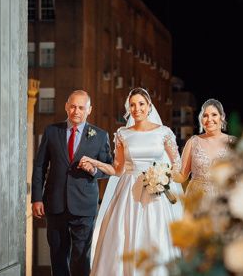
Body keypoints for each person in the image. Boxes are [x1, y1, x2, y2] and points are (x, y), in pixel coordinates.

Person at [79, 87, 184, 276]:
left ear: (149, 106)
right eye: (132, 105)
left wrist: (164, 176)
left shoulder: (164, 132)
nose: (137, 109)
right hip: (128, 192)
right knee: (123, 237)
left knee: (154, 235)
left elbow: (177, 164)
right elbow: (117, 170)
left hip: (156, 195)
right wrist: (96, 163)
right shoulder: (122, 134)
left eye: (141, 104)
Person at [31, 90, 113, 276]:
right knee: (58, 256)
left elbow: (110, 168)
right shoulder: (52, 131)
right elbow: (40, 166)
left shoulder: (100, 136)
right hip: (55, 204)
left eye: (81, 107)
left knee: (81, 257)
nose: (76, 111)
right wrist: (37, 198)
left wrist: (94, 170)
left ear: (89, 110)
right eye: (73, 106)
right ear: (66, 107)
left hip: (84, 206)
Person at [173, 98, 236, 198]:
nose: (209, 119)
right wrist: (163, 174)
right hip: (196, 199)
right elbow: (182, 176)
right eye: (205, 115)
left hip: (224, 198)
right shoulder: (193, 142)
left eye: (214, 115)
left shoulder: (233, 143)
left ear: (222, 117)